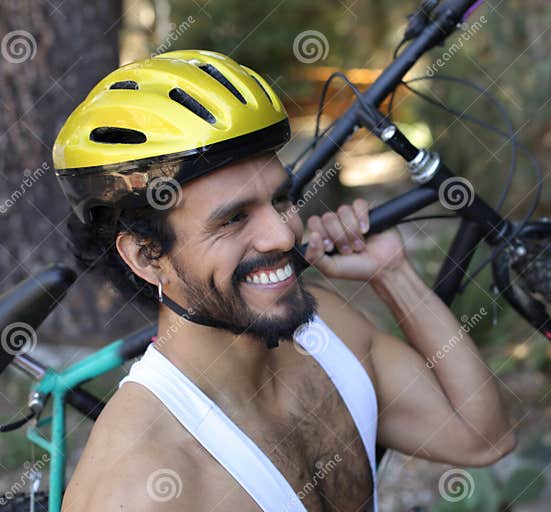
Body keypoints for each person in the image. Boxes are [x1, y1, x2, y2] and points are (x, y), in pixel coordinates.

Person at [53, 50, 516, 511]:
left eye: (280, 200)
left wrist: (392, 274)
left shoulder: (328, 330)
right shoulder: (141, 484)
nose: (281, 234)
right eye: (233, 219)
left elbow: (481, 437)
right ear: (147, 257)